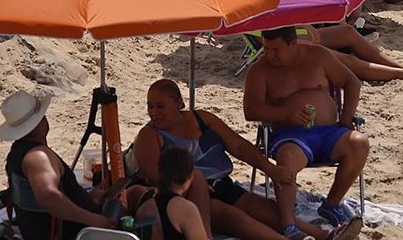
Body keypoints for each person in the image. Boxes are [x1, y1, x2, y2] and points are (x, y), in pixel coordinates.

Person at [133, 79, 336, 240]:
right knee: (230, 215)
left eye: (160, 106)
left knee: (266, 209)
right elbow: (155, 175)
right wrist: (193, 184)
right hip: (185, 193)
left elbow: (238, 146)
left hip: (222, 185)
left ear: (179, 103)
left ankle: (322, 235)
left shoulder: (202, 119)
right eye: (150, 107)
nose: (154, 113)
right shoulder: (149, 135)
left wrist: (270, 169)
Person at [241, 27, 368, 237]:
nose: (269, 55)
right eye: (265, 48)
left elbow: (351, 82)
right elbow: (251, 110)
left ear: (293, 43)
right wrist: (285, 113)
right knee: (287, 158)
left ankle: (332, 204)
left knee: (359, 143)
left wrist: (346, 119)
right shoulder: (260, 70)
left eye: (275, 50)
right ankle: (288, 224)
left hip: (329, 132)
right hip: (290, 136)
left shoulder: (318, 56)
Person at [0, 91, 130, 240]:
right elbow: (49, 196)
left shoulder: (17, 153)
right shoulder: (38, 157)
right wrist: (94, 220)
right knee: (135, 200)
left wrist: (87, 198)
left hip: (58, 227)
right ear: (41, 122)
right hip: (79, 233)